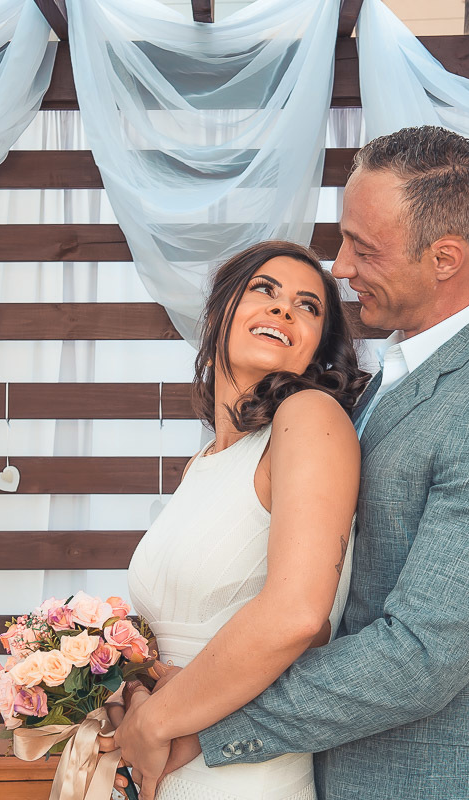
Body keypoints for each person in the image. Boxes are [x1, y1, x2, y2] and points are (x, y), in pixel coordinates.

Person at [113, 126, 469, 800]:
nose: (339, 267)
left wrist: (191, 725)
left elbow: (420, 658)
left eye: (363, 249)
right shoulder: (379, 386)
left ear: (445, 258)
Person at [121, 239, 370, 800]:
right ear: (218, 315)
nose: (284, 310)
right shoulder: (205, 463)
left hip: (244, 774)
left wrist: (156, 722)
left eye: (308, 306)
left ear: (316, 352)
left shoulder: (308, 417)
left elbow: (301, 616)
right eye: (265, 290)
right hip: (166, 768)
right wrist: (132, 692)